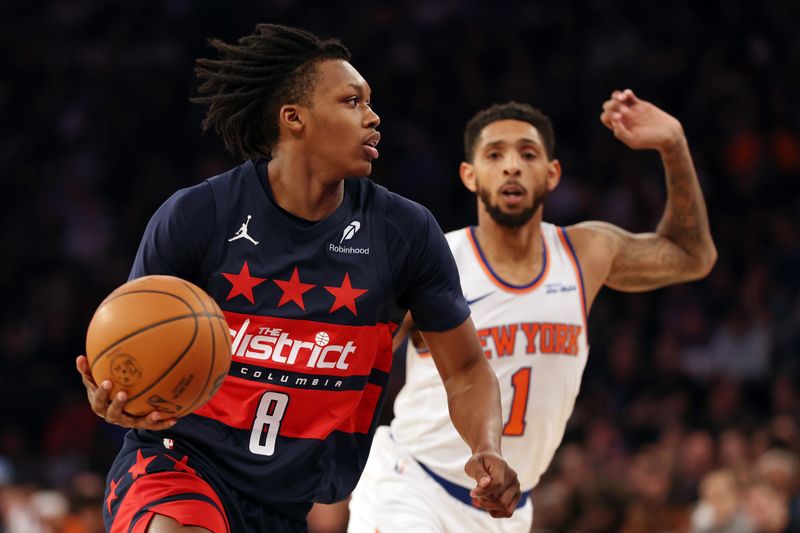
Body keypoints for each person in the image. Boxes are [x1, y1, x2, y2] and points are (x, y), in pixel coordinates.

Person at [75, 24, 520, 533]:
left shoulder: (404, 232)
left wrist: (487, 447)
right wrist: (116, 394)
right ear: (294, 118)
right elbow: (126, 346)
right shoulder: (198, 216)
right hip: (177, 466)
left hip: (288, 502)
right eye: (352, 101)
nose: (373, 117)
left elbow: (465, 369)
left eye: (370, 103)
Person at [348, 92, 717, 532]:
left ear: (552, 173)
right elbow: (353, 353)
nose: (512, 165)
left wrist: (673, 144)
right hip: (410, 486)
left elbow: (691, 255)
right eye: (494, 154)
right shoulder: (435, 258)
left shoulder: (585, 254)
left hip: (506, 507)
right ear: (469, 175)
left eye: (528, 153)